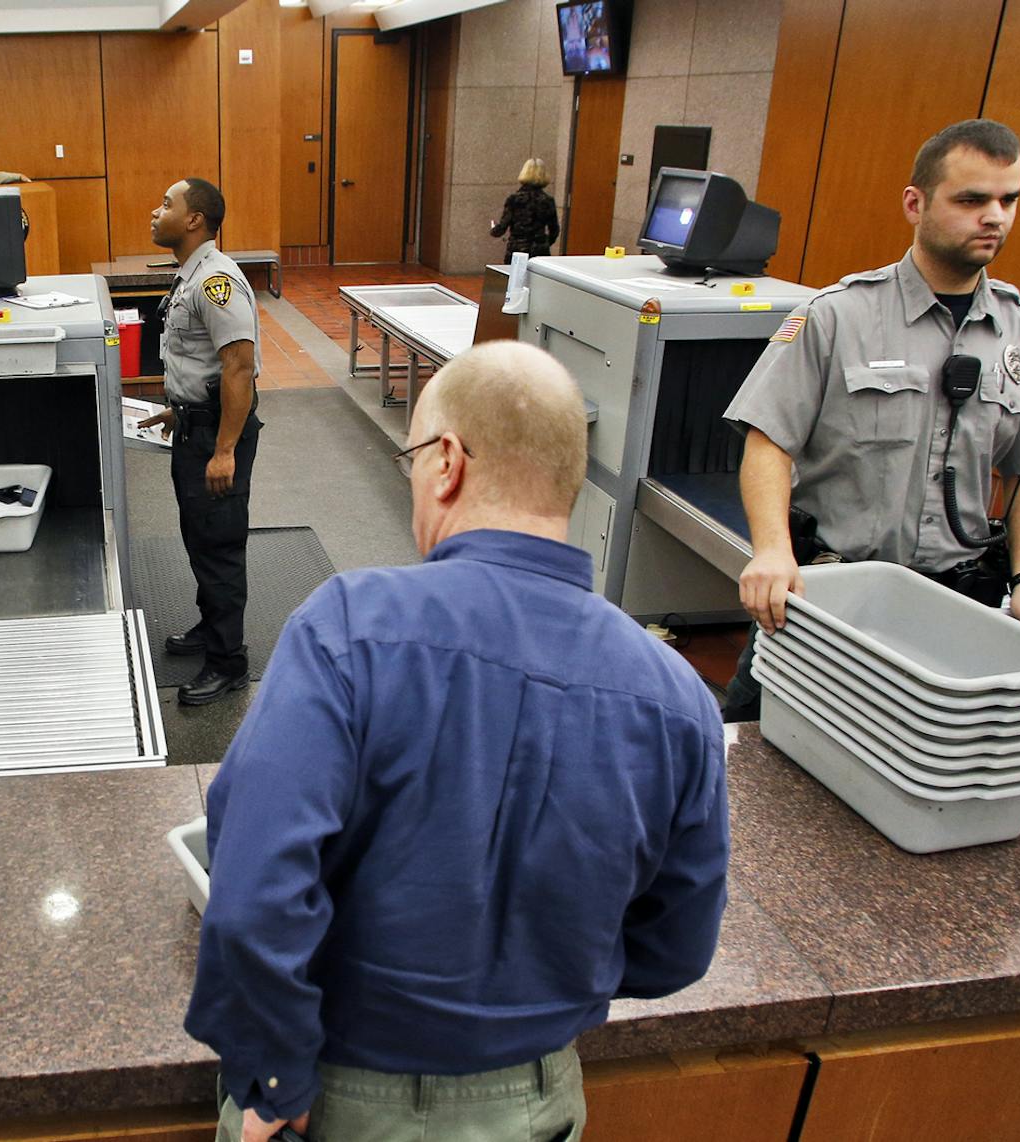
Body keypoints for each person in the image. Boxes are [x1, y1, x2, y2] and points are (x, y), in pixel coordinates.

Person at [187, 342, 728, 1142]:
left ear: (446, 462)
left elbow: (254, 892)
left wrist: (275, 1071)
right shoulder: (680, 697)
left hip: (346, 1098)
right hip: (541, 1103)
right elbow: (677, 947)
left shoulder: (349, 628)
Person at [719, 118, 1020, 722]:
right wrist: (771, 551)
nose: (993, 216)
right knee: (748, 757)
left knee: (915, 761)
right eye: (971, 199)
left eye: (1007, 199)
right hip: (829, 598)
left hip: (950, 604)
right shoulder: (837, 316)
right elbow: (769, 440)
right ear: (915, 204)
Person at [134, 178, 263, 707]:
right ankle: (213, 631)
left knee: (219, 548)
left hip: (217, 435)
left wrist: (224, 449)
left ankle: (228, 662)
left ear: (194, 220)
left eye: (167, 204)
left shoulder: (217, 282)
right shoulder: (189, 276)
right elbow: (202, 363)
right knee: (200, 540)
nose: (155, 211)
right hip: (197, 425)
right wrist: (178, 409)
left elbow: (239, 367)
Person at [489, 158, 559, 258]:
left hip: (517, 250)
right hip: (539, 252)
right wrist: (543, 243)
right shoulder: (548, 200)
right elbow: (554, 230)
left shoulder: (514, 199)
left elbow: (501, 229)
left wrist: (493, 228)